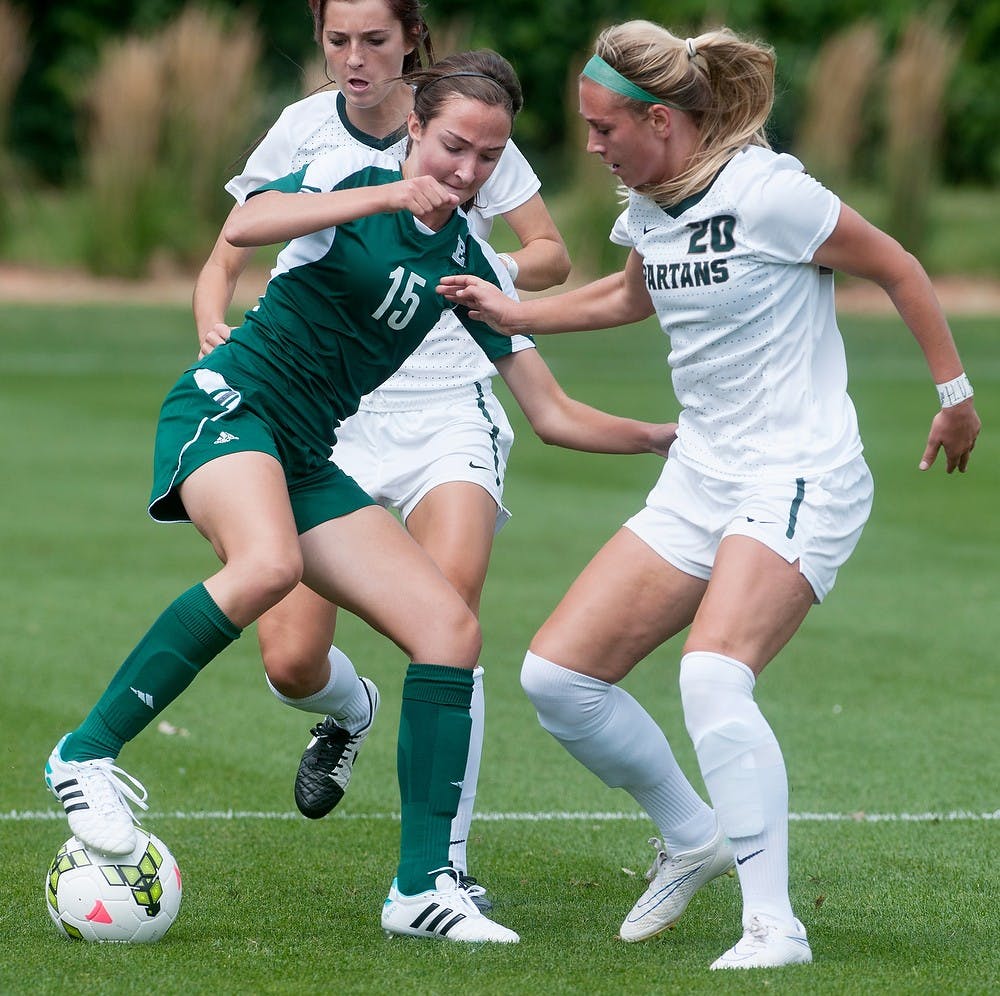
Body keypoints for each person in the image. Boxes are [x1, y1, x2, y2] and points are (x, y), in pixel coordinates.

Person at [439, 21, 981, 969]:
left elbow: (896, 264)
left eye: (606, 128)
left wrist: (954, 394)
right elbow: (628, 296)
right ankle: (694, 836)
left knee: (712, 673)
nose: (595, 146)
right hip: (702, 470)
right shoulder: (648, 200)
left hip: (799, 470)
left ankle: (776, 925)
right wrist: (516, 309)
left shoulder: (771, 193)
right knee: (559, 680)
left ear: (660, 117)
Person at [45, 52, 564, 945]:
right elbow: (249, 224)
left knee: (450, 630)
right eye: (451, 147)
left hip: (307, 455)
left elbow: (555, 411)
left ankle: (419, 887)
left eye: (488, 157)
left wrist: (671, 434)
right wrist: (387, 197)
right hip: (228, 408)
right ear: (416, 130)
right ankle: (84, 755)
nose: (467, 172)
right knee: (270, 564)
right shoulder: (346, 173)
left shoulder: (468, 259)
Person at [192, 0, 575, 911]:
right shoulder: (300, 131)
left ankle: (441, 868)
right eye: (336, 41)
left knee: (447, 627)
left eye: (374, 40)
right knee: (289, 662)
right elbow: (228, 252)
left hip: (446, 400)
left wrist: (479, 271)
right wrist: (211, 320)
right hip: (330, 409)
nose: (354, 59)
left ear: (412, 38)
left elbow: (551, 253)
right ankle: (350, 711)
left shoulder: (465, 121)